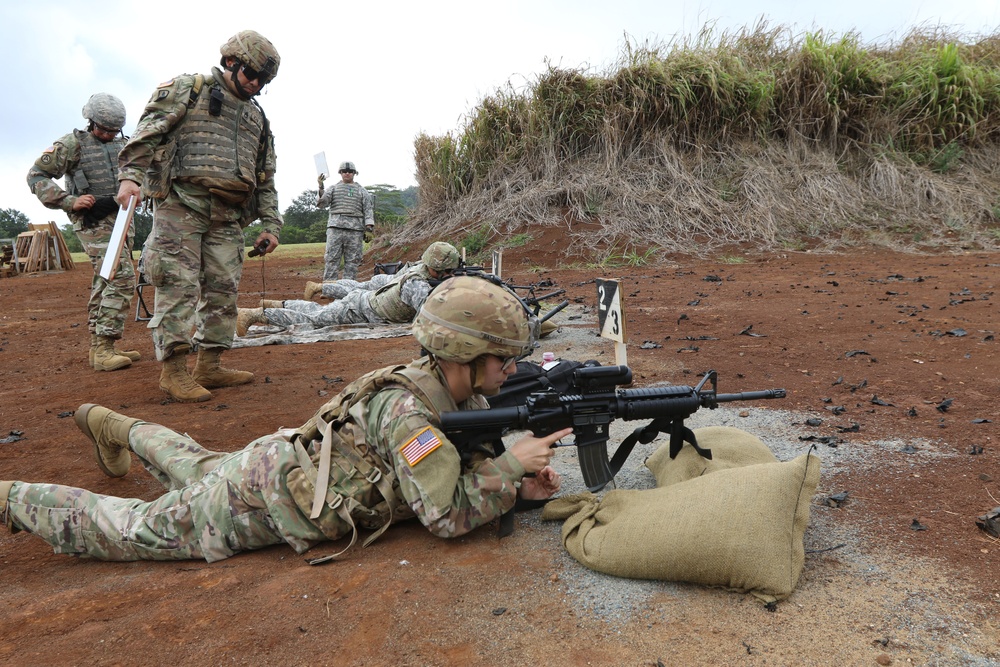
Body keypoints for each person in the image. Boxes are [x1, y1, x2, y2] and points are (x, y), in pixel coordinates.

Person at [0, 277, 568, 563]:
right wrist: (510, 469)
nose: (511, 368)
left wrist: (516, 486)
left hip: (276, 464)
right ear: (462, 353)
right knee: (134, 528)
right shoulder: (409, 415)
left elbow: (452, 469)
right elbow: (443, 515)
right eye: (503, 357)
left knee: (194, 464)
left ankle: (111, 426)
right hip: (263, 499)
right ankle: (11, 498)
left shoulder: (444, 389)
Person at [115, 30, 284, 404]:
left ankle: (209, 364)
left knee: (223, 291)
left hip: (228, 217)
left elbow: (265, 177)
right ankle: (173, 372)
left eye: (263, 80)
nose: (255, 84)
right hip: (182, 206)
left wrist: (271, 224)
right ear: (230, 63)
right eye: (251, 74)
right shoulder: (188, 89)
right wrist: (130, 178)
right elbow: (147, 135)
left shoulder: (258, 118)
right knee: (178, 286)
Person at [27, 93, 140, 372]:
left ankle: (99, 348)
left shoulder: (125, 146)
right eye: (102, 128)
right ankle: (104, 346)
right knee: (121, 276)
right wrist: (68, 200)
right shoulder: (72, 144)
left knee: (105, 280)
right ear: (90, 122)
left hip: (122, 219)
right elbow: (36, 175)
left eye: (113, 130)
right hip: (92, 220)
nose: (107, 134)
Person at [237, 241, 460, 335]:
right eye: (447, 272)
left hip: (365, 301)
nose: (449, 276)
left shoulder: (423, 269)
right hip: (359, 309)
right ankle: (257, 314)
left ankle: (279, 304)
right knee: (314, 320)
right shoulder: (417, 284)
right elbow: (430, 318)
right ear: (437, 268)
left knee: (316, 312)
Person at [314, 161, 374, 287]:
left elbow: (368, 210)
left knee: (352, 261)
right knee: (331, 258)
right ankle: (329, 288)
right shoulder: (333, 188)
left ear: (354, 173)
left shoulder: (362, 191)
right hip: (335, 229)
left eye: (350, 171)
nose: (347, 173)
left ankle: (348, 289)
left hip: (355, 230)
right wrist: (320, 186)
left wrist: (369, 228)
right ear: (340, 173)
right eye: (344, 171)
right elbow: (322, 203)